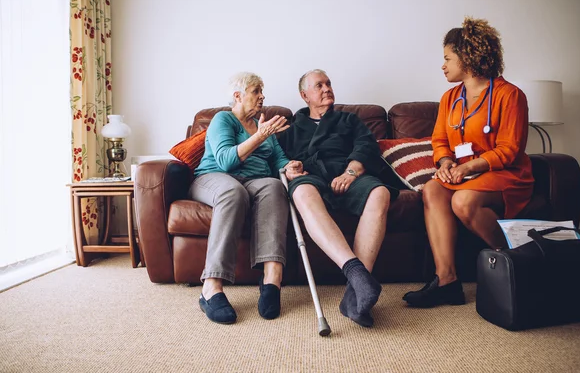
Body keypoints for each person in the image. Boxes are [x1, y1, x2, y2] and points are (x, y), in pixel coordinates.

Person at [403, 17, 534, 308]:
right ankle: (447, 281)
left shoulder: (509, 95)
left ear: (468, 57)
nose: (443, 65)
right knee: (433, 190)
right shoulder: (450, 98)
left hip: (503, 174)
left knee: (462, 202)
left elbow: (510, 149)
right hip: (464, 174)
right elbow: (440, 141)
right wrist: (447, 162)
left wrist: (469, 167)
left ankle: (523, 261)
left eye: (448, 58)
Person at [278, 69, 398, 327]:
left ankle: (355, 295)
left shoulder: (348, 120)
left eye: (329, 83)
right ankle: (358, 275)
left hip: (348, 172)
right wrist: (289, 168)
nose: (326, 88)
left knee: (380, 193)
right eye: (318, 85)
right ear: (304, 95)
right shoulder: (289, 129)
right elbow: (277, 159)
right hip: (312, 176)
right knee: (300, 190)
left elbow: (366, 146)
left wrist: (350, 173)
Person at [190, 72, 305, 324]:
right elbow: (226, 161)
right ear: (238, 96)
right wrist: (260, 135)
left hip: (254, 181)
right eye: (256, 91)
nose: (262, 96)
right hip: (214, 177)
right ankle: (211, 288)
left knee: (275, 187)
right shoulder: (223, 119)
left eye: (262, 91)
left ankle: (271, 279)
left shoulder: (263, 127)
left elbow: (278, 160)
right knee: (233, 191)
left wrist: (289, 167)